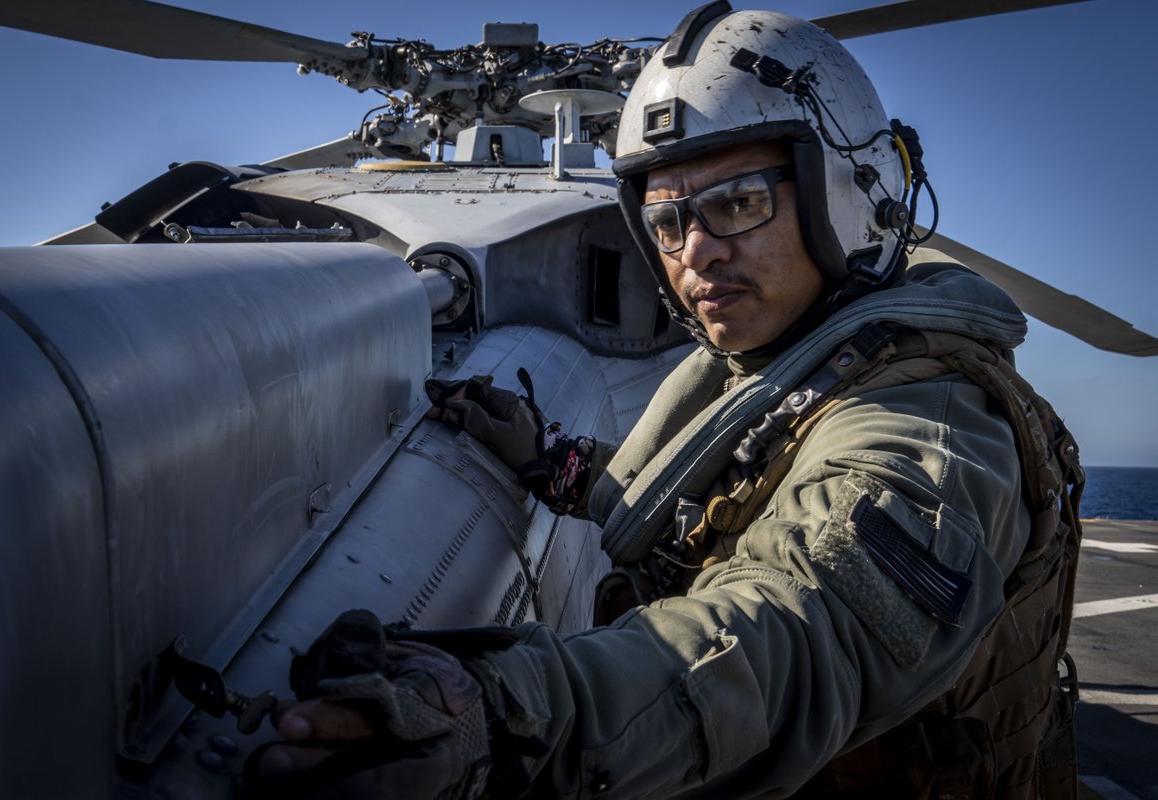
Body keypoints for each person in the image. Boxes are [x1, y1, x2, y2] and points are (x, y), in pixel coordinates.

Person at [249, 5, 1084, 798]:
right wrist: (556, 466)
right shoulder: (787, 364)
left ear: (846, 195)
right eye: (668, 222)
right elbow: (722, 502)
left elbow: (796, 630)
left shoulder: (924, 422)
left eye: (738, 204)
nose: (696, 256)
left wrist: (522, 714)